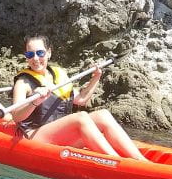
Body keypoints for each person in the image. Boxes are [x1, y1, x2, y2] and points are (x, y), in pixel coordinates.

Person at [11, 34, 148, 161]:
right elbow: (16, 116)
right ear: (26, 56)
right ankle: (117, 162)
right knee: (81, 117)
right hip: (33, 136)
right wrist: (34, 102)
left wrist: (96, 78)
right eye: (30, 54)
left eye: (40, 53)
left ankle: (142, 162)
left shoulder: (58, 75)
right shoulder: (23, 83)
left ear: (49, 53)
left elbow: (82, 99)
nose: (35, 58)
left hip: (58, 135)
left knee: (103, 115)